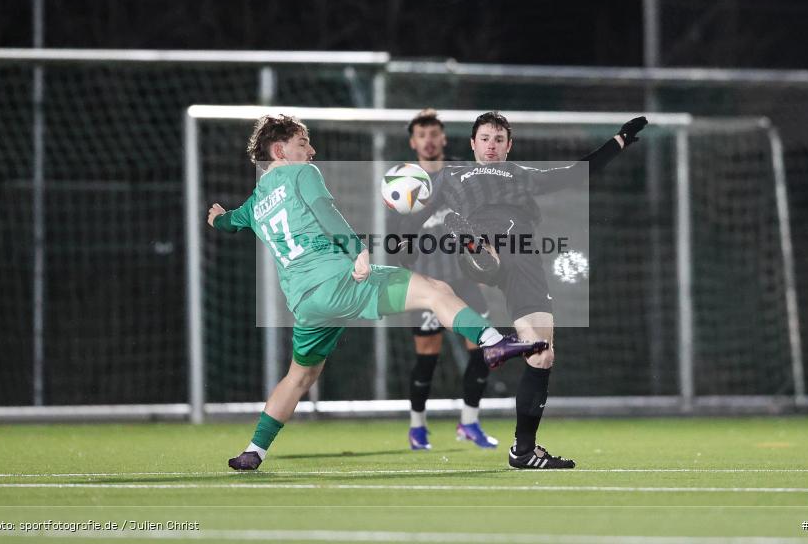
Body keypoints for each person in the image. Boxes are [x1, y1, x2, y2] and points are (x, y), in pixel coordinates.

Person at [207, 114, 547, 471]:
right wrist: (358, 250)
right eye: (302, 143)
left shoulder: (256, 202)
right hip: (344, 283)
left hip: (306, 305)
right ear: (279, 150)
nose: (312, 150)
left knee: (299, 376)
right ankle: (492, 340)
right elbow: (325, 211)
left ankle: (254, 450)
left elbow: (230, 223)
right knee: (435, 290)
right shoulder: (302, 173)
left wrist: (217, 218)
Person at [430, 112, 648, 469]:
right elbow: (410, 206)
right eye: (484, 138)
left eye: (499, 140)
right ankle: (477, 249)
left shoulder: (522, 174)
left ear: (509, 146)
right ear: (472, 144)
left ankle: (524, 451)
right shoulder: (449, 176)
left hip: (525, 259)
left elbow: (578, 173)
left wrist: (619, 141)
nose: (491, 146)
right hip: (485, 238)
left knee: (542, 355)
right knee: (486, 252)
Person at [389, 109, 496, 451]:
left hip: (463, 278)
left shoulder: (461, 174)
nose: (429, 140)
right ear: (413, 142)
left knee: (483, 348)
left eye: (434, 133)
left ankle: (469, 422)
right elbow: (397, 235)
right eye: (422, 135)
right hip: (427, 281)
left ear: (444, 138)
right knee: (427, 356)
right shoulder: (404, 181)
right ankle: (417, 427)